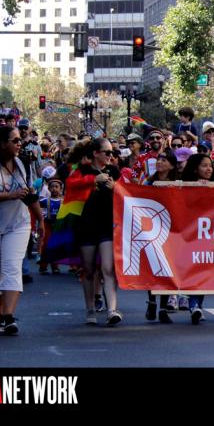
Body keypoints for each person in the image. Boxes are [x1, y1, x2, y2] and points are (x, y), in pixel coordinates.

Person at [0, 126, 44, 335]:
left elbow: (29, 194)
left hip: (17, 225)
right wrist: (10, 195)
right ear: (2, 144)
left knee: (12, 268)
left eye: (20, 140)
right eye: (15, 140)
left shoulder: (22, 163)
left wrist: (40, 219)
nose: (20, 144)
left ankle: (9, 316)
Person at [76, 139, 123, 326]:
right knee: (88, 270)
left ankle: (112, 309)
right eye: (107, 152)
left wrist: (115, 188)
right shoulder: (82, 171)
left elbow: (126, 193)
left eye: (112, 152)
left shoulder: (114, 172)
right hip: (86, 224)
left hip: (107, 224)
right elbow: (71, 187)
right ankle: (90, 309)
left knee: (108, 268)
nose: (111, 156)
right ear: (96, 153)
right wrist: (93, 180)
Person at [181, 153, 214, 324]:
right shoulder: (183, 186)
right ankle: (193, 305)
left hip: (208, 237)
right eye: (204, 165)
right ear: (195, 169)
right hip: (189, 236)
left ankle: (197, 305)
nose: (209, 169)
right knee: (193, 271)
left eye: (210, 165)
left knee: (203, 272)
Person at [144, 151, 178, 323]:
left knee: (167, 268)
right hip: (152, 229)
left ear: (172, 165)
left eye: (164, 160)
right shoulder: (148, 182)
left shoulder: (178, 182)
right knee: (153, 267)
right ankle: (151, 302)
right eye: (158, 159)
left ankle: (163, 308)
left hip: (172, 230)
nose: (159, 162)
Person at [37, 177, 63, 275]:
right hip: (47, 225)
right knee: (46, 245)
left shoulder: (63, 202)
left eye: (56, 187)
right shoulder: (44, 201)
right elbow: (35, 207)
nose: (54, 189)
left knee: (56, 246)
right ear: (48, 188)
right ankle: (43, 267)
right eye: (52, 187)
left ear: (60, 188)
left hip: (58, 226)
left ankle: (55, 267)